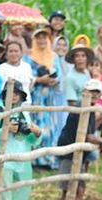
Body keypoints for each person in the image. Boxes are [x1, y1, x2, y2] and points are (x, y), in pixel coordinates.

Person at [56, 79, 102, 200]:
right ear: (85, 92)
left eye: (96, 92)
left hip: (80, 154)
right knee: (68, 190)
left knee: (79, 190)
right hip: (69, 153)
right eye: (91, 92)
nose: (94, 95)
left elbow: (89, 129)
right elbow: (88, 136)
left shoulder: (89, 109)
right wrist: (101, 141)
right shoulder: (81, 109)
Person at [25, 28, 64, 169]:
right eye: (39, 38)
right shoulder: (28, 58)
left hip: (50, 98)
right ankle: (35, 160)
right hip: (36, 97)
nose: (42, 41)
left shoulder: (54, 57)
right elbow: (26, 77)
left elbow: (59, 74)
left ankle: (48, 159)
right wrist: (39, 80)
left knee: (50, 126)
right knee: (37, 126)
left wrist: (54, 80)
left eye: (44, 38)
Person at [0, 41, 34, 105]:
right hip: (9, 105)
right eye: (11, 51)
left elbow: (30, 84)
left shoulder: (27, 66)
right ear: (6, 54)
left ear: (21, 53)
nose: (13, 54)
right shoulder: (1, 68)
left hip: (26, 103)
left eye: (16, 51)